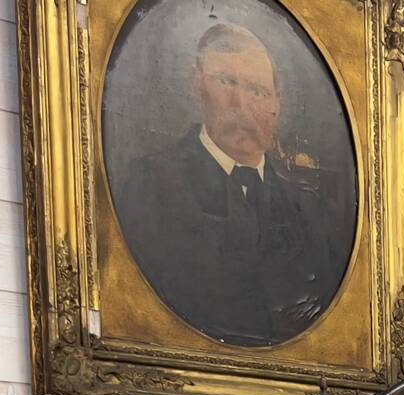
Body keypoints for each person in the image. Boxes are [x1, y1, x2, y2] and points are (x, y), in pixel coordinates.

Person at [117, 22, 337, 346]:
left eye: (257, 91)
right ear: (197, 84)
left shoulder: (308, 209)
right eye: (225, 81)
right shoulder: (148, 186)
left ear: (277, 103)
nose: (240, 104)